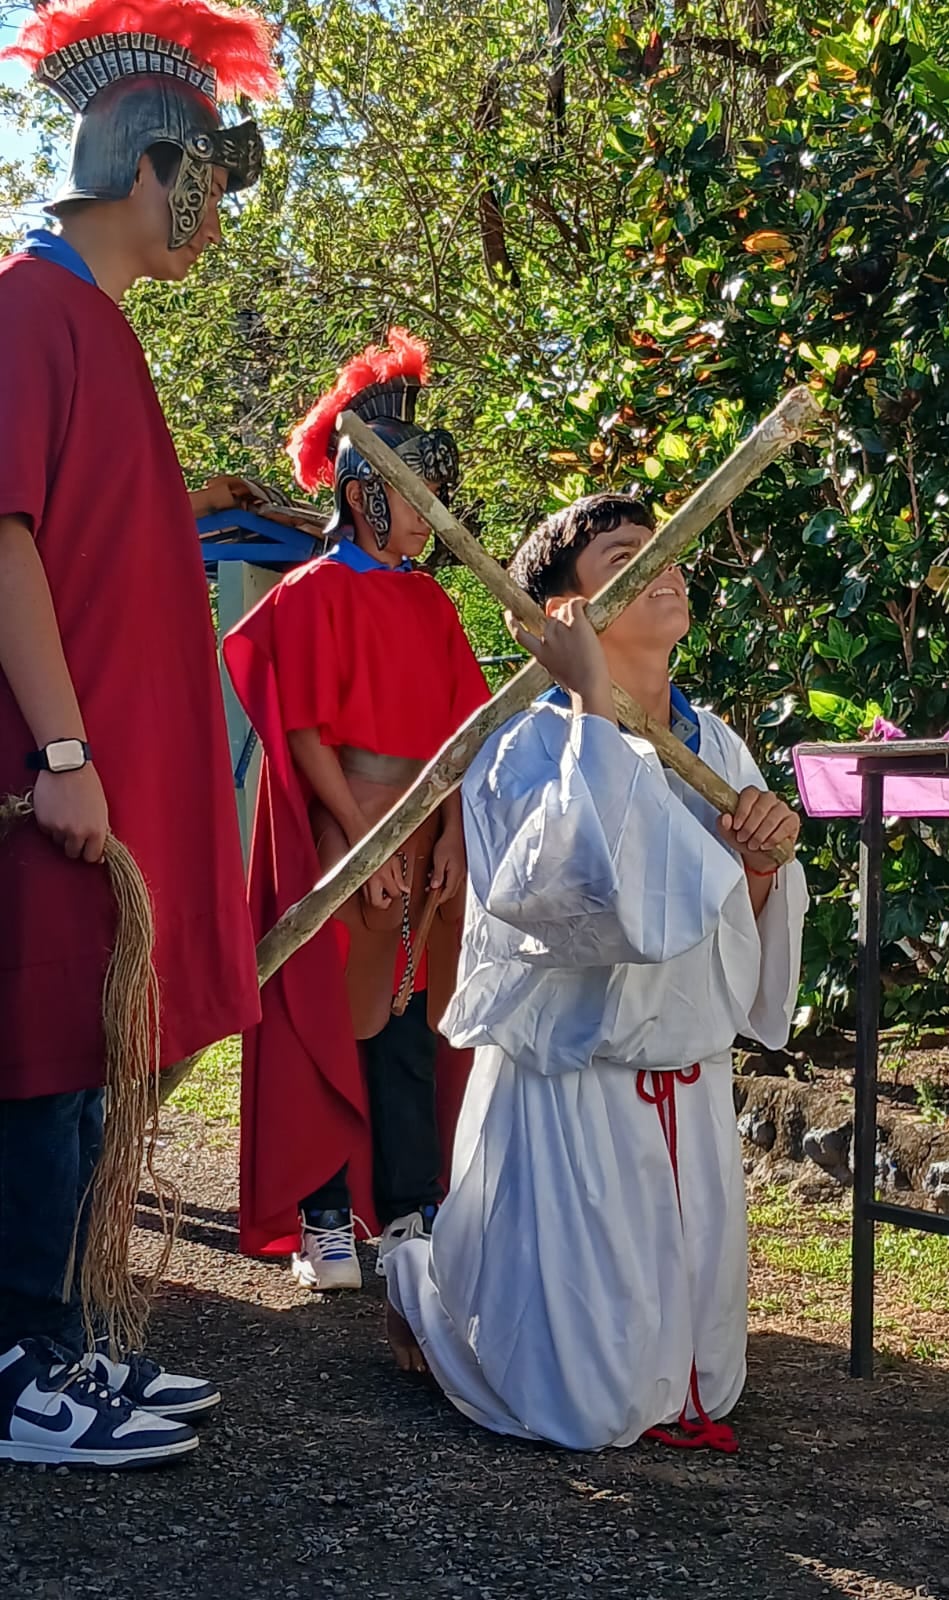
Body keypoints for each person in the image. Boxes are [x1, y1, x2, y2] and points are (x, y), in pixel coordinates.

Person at [384, 492, 808, 1452]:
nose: (668, 564)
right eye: (629, 552)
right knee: (583, 1410)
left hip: (688, 1094)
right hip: (572, 1095)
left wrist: (758, 865)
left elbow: (723, 927)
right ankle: (420, 1282)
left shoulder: (720, 745)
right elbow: (567, 909)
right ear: (565, 612)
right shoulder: (523, 747)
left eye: (669, 549)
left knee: (709, 1384)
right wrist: (586, 706)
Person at [0, 0, 276, 1467]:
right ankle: (19, 1363)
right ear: (142, 159)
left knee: (88, 1054)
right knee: (41, 1051)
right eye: (204, 183)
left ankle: (80, 1345)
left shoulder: (92, 329)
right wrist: (59, 751)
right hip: (51, 787)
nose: (210, 218)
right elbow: (4, 536)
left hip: (95, 791)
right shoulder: (29, 310)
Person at [224, 329, 490, 1291]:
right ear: (361, 492)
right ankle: (326, 1215)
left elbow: (466, 733)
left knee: (414, 1020)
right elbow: (302, 734)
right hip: (342, 829)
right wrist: (354, 839)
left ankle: (413, 1205)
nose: (428, 520)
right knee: (332, 1020)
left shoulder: (435, 608)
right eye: (413, 499)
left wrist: (452, 830)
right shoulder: (308, 594)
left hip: (426, 839)